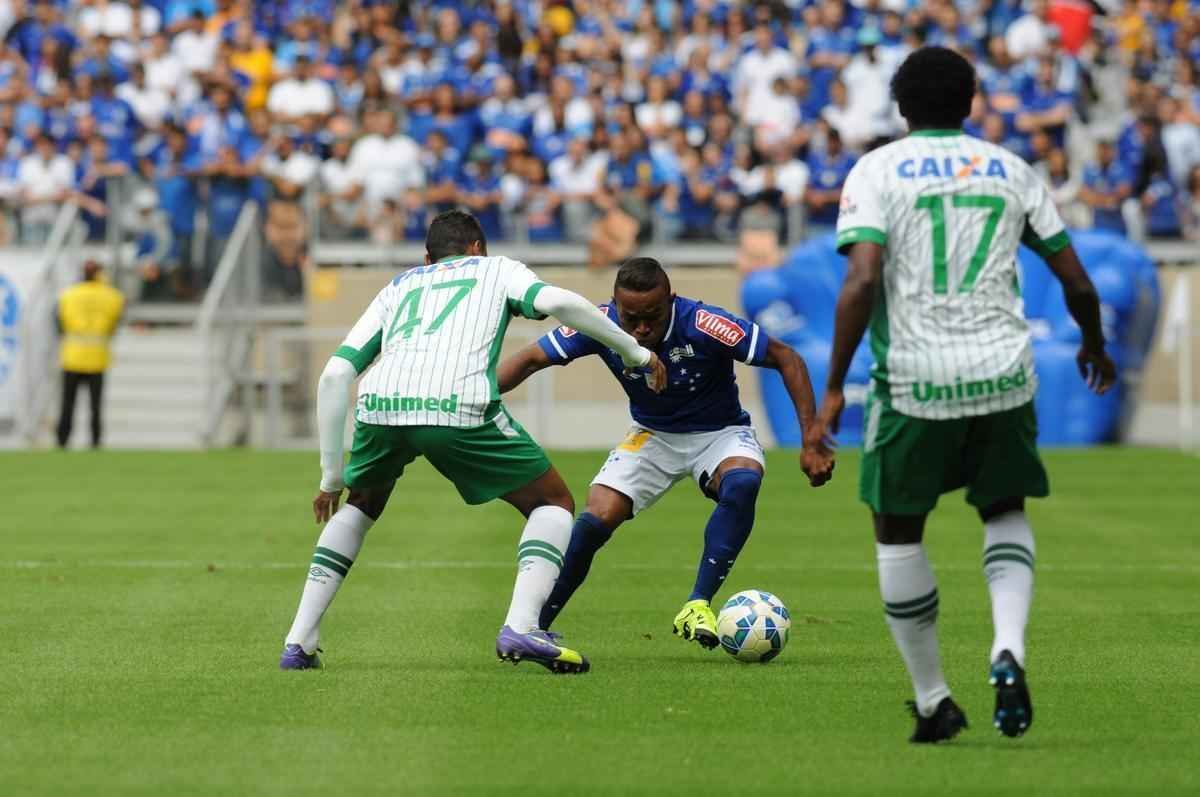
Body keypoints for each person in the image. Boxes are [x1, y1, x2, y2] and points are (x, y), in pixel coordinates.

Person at [812, 47, 1116, 744]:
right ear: (971, 102)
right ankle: (1007, 646)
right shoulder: (1012, 170)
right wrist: (1094, 345)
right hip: (1003, 374)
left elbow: (863, 279)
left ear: (900, 107)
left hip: (913, 382)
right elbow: (1077, 281)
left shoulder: (876, 171)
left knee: (897, 532)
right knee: (1004, 509)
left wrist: (833, 387)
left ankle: (933, 699)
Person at [278, 210, 669, 674]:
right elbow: (561, 301)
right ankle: (522, 626)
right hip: (456, 403)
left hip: (381, 404)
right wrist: (636, 352)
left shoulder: (400, 285)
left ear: (427, 258)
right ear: (478, 247)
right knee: (553, 503)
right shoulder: (496, 269)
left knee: (360, 504)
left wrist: (330, 478)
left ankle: (298, 641)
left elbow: (335, 374)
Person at [497, 258, 835, 647]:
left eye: (653, 316)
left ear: (671, 300)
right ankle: (531, 628)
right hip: (651, 436)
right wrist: (477, 393)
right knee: (595, 519)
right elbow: (531, 358)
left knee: (742, 482)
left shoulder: (705, 323)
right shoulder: (598, 322)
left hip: (720, 433)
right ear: (616, 306)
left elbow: (787, 358)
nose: (642, 328)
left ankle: (698, 604)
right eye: (631, 318)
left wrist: (811, 439)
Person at [55, 260, 124, 449]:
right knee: (95, 405)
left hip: (72, 356)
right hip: (97, 357)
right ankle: (95, 441)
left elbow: (59, 324)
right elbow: (115, 323)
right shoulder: (113, 296)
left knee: (67, 403)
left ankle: (62, 441)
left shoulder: (68, 294)